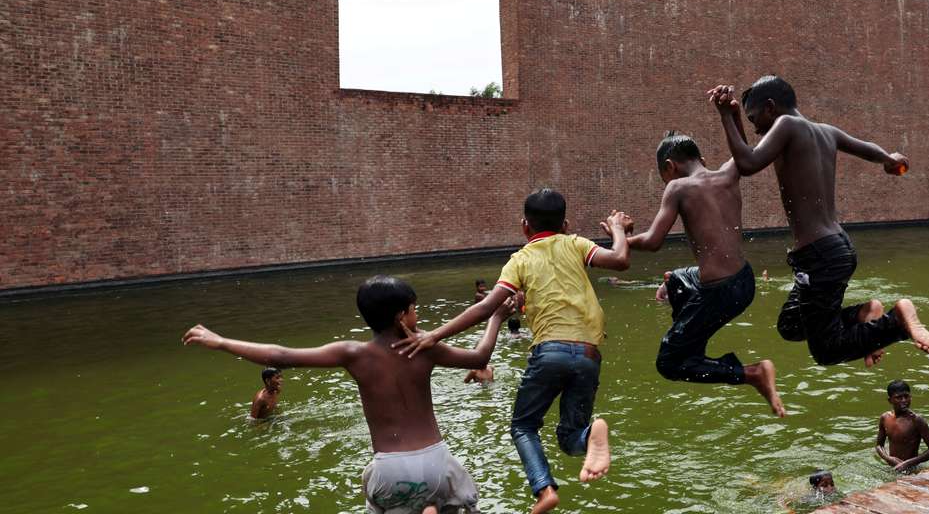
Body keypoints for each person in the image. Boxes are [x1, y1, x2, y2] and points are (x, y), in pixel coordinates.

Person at [182, 275, 510, 514]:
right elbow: (480, 357)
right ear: (401, 316)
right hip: (437, 463)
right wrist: (494, 317)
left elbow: (279, 354)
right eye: (414, 309)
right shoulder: (425, 348)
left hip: (389, 470)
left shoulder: (353, 353)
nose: (417, 315)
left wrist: (222, 341)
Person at [394, 188, 631, 514]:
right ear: (565, 224)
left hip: (550, 351)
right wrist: (617, 229)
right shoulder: (576, 243)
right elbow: (619, 259)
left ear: (524, 227)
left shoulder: (520, 259)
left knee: (523, 426)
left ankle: (544, 490)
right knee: (570, 437)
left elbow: (486, 308)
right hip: (589, 353)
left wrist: (434, 334)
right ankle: (592, 434)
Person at [707, 76, 929, 366]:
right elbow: (867, 148)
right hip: (833, 249)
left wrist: (724, 118)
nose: (756, 129)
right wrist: (889, 159)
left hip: (820, 255)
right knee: (791, 324)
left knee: (826, 351)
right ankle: (865, 315)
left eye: (754, 119)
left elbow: (747, 164)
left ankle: (898, 320)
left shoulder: (786, 125)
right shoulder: (825, 131)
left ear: (771, 107)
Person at [628, 131, 785, 417]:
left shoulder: (678, 187)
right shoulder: (728, 172)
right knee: (675, 279)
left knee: (669, 363)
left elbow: (652, 241)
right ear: (701, 159)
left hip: (720, 292)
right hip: (744, 281)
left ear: (669, 167)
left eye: (664, 176)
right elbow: (746, 151)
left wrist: (619, 239)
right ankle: (688, 333)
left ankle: (752, 373)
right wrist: (730, 114)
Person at [875, 380, 929, 473]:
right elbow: (879, 445)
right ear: (890, 400)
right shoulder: (885, 418)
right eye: (899, 397)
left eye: (906, 396)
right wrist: (888, 459)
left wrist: (907, 463)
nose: (904, 401)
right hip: (892, 467)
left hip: (911, 470)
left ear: (911, 397)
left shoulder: (917, 420)